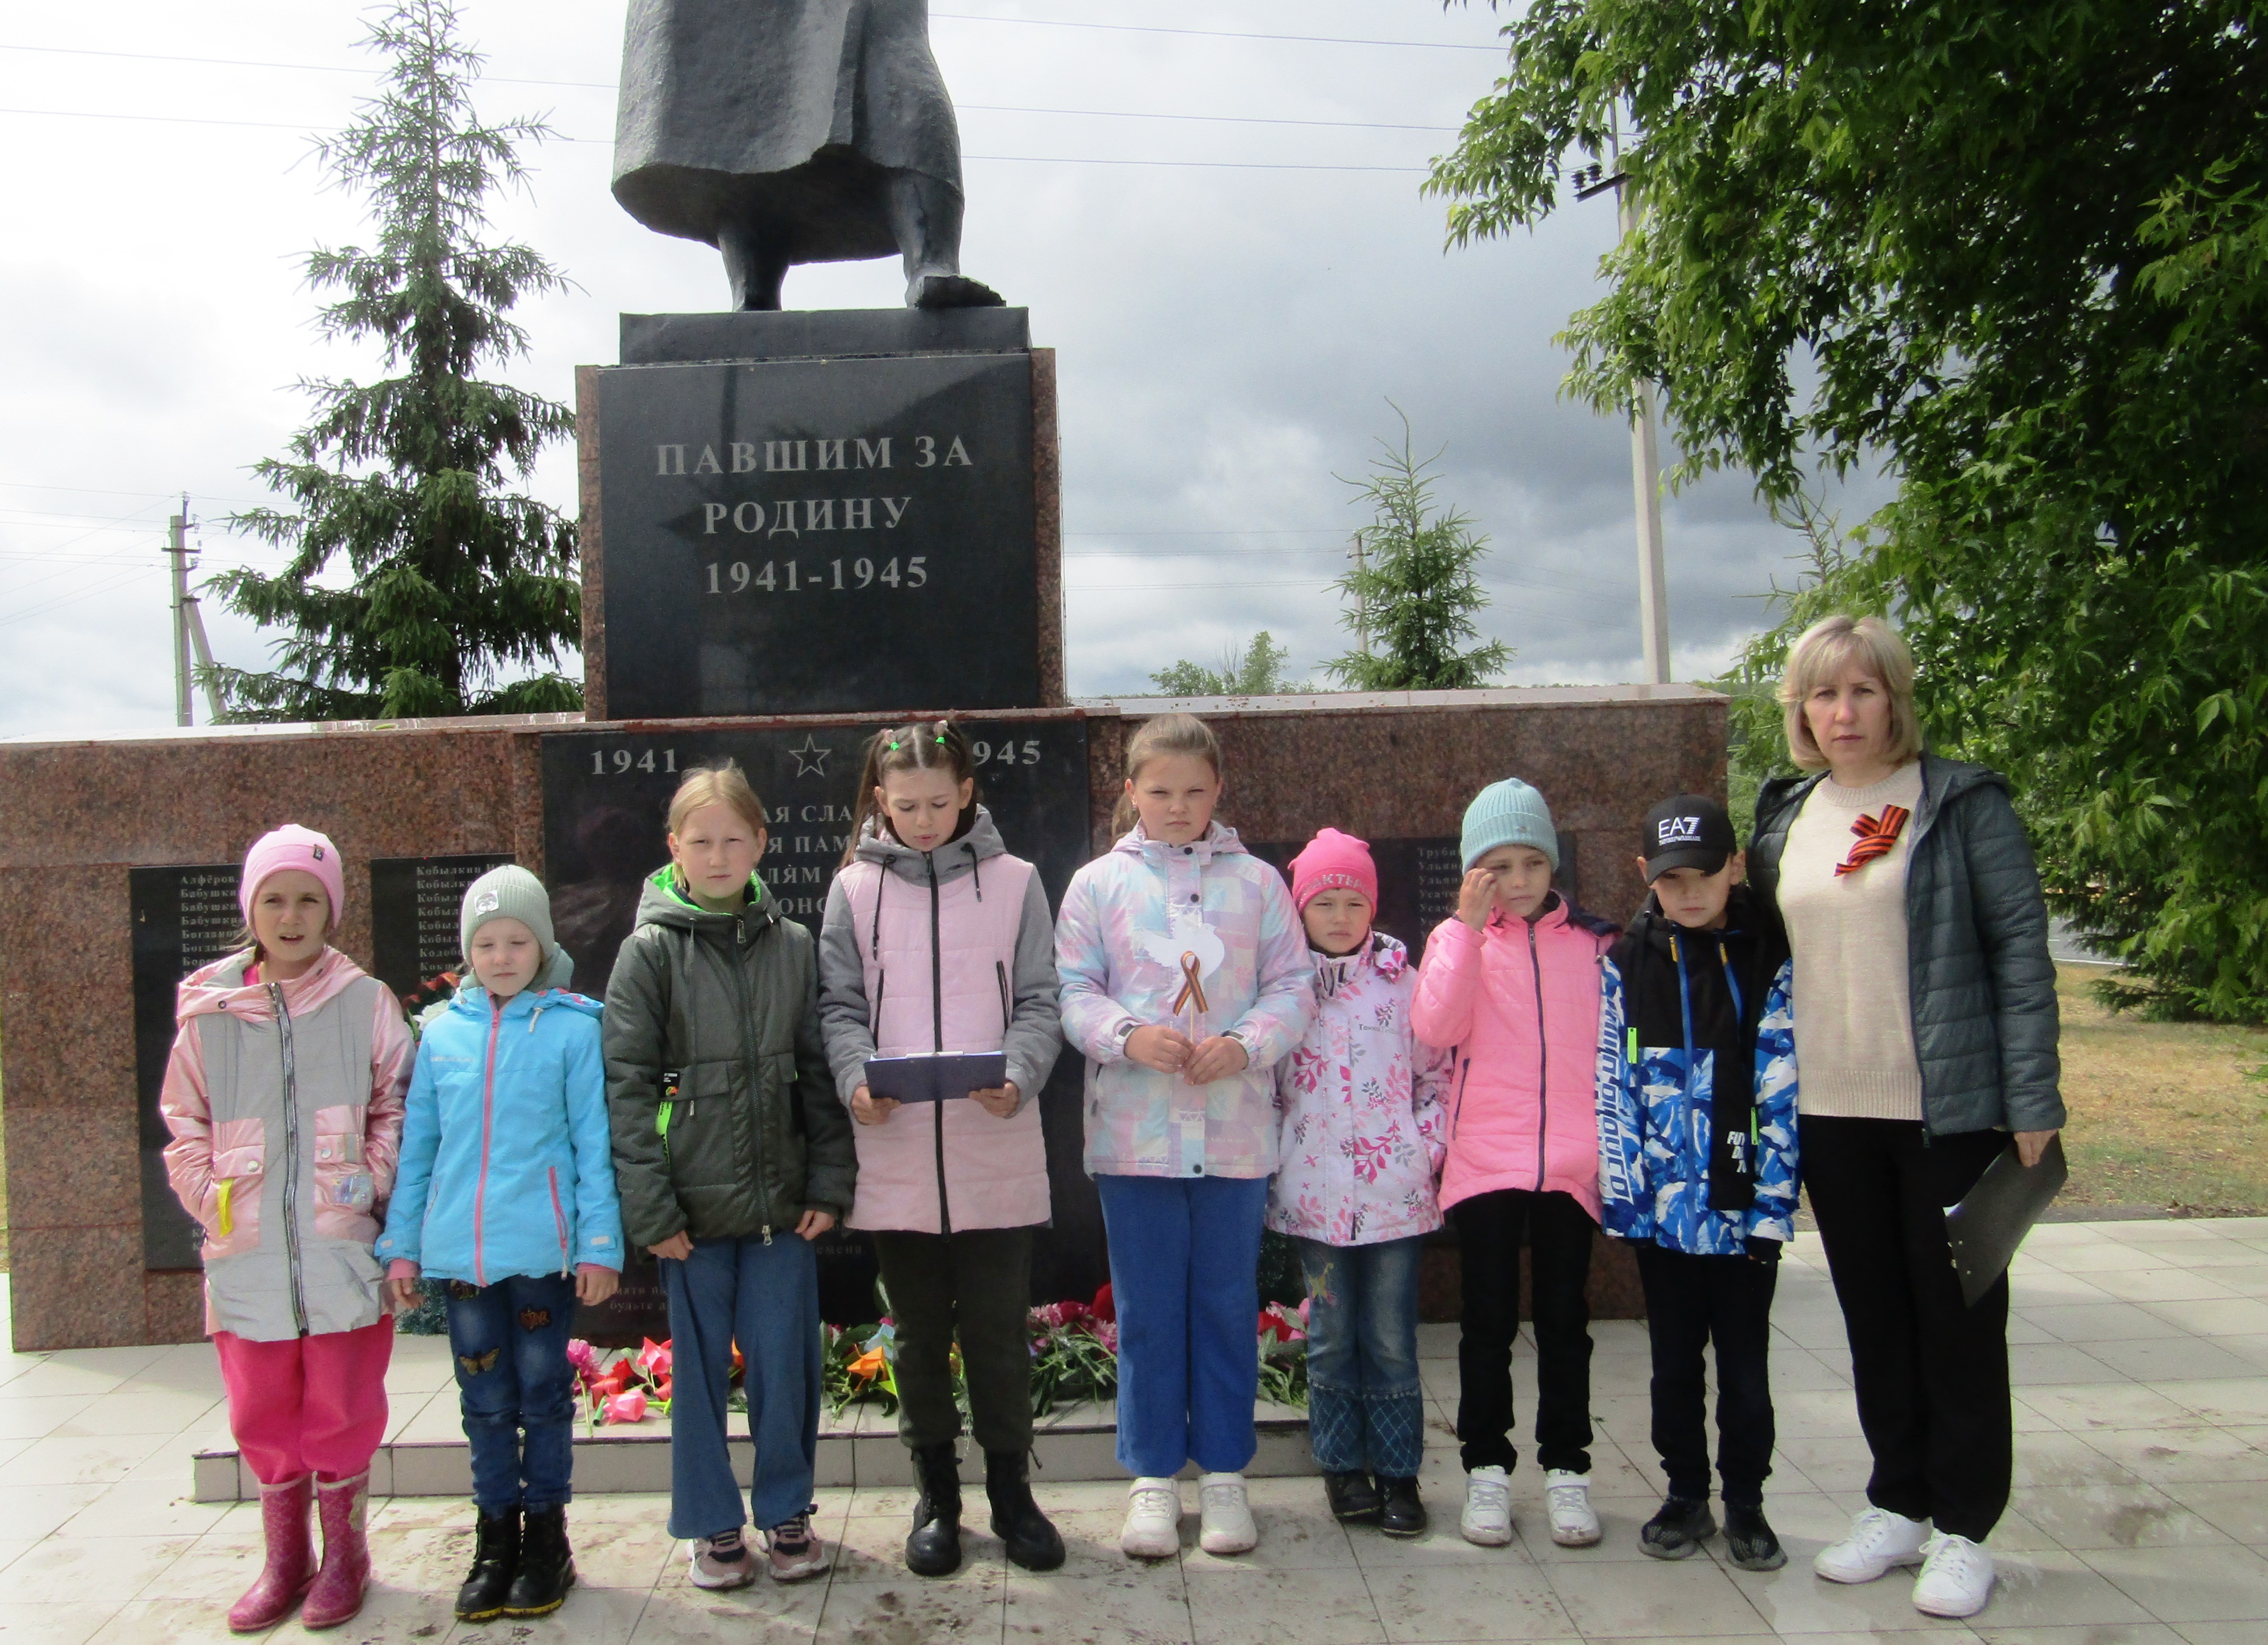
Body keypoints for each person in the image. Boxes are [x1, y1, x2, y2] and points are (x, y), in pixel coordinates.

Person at [1749, 614, 2062, 1621]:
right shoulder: (1785, 815)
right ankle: (1897, 1502)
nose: (1842, 712)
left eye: (1862, 690)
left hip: (1948, 1114)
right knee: (1873, 1319)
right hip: (1830, 1118)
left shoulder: (1959, 803)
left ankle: (1965, 1527)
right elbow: (1755, 941)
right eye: (1822, 694)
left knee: (1957, 1324)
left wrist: (2032, 1100)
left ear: (1894, 698)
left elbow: (2018, 953)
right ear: (1799, 709)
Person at [1055, 712, 1315, 1560]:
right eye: (1159, 790)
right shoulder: (1097, 884)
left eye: (1194, 791)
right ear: (1129, 790)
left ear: (1218, 792)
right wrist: (1127, 1034)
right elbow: (1073, 989)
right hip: (1138, 1137)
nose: (1177, 806)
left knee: (1226, 1303)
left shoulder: (1260, 884)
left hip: (1234, 1134)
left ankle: (1229, 1475)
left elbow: (1292, 986)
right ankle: (1154, 1478)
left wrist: (1245, 1043)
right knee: (1149, 1310)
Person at [816, 719, 1067, 1578]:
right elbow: (839, 1008)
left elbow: (1040, 999)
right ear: (881, 801)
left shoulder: (1017, 882)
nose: (923, 820)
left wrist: (1023, 1071)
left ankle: (1012, 1495)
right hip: (896, 1147)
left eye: (938, 801)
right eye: (906, 805)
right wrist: (857, 1078)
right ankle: (937, 1497)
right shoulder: (852, 891)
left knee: (998, 1334)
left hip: (991, 1136)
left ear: (968, 793)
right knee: (919, 1336)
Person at [604, 762, 859, 1588]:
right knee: (702, 1371)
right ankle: (712, 1523)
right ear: (674, 847)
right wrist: (651, 1207)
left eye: (734, 839)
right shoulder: (648, 954)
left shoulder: (792, 946)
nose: (718, 856)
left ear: (760, 844)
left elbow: (818, 1071)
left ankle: (787, 1508)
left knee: (787, 1367)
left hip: (781, 1207)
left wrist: (828, 1182)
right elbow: (630, 1086)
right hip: (691, 1215)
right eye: (700, 841)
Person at [159, 824, 414, 1632]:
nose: (292, 914)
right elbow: (183, 1119)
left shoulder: (364, 1002)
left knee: (341, 1403)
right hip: (250, 1253)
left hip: (338, 1249)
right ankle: (285, 1558)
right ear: (252, 908)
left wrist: (369, 1181)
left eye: (309, 898)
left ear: (331, 910)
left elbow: (395, 1102)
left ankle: (346, 1556)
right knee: (262, 1408)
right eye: (274, 898)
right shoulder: (210, 1013)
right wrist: (212, 1195)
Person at [377, 866, 626, 1621]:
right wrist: (403, 1245)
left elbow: (594, 1142)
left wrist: (600, 1245)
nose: (502, 955)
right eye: (486, 942)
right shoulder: (442, 1033)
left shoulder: (574, 1028)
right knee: (485, 1402)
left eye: (518, 940)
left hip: (544, 1256)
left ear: (544, 944)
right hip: (465, 1263)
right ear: (468, 949)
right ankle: (495, 1540)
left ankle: (548, 1539)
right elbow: (418, 1148)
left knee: (545, 1399)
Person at [1411, 777, 1618, 1552]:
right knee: (1487, 1323)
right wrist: (1465, 929)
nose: (1520, 880)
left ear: (1553, 864)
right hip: (1487, 1162)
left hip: (1572, 1163)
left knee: (1566, 1322)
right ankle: (1486, 1470)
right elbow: (1433, 1026)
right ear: (1475, 873)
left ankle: (1567, 1470)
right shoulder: (1457, 941)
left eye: (1533, 861)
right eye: (1500, 865)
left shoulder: (1595, 946)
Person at [1597, 795, 1798, 1570]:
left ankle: (1746, 1500)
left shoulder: (1768, 954)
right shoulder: (1625, 961)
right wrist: (1628, 1197)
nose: (1688, 892)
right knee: (1674, 1363)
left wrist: (1773, 1208)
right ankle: (1686, 1491)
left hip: (1743, 1209)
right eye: (1671, 877)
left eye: (1705, 875)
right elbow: (1612, 1081)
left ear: (1735, 868)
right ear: (1646, 874)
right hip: (1663, 1217)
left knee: (1746, 1367)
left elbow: (1780, 1084)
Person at [1266, 828, 1452, 1538]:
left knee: (1392, 1338)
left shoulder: (1406, 984)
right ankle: (1343, 1467)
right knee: (1331, 1334)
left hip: (1395, 1203)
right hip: (1315, 1207)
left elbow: (1436, 1076)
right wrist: (1282, 1155)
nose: (1340, 917)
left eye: (1353, 901)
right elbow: (1273, 1088)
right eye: (1324, 903)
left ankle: (1400, 1473)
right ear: (1300, 910)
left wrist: (1419, 1148)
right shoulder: (1287, 992)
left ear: (1372, 905)